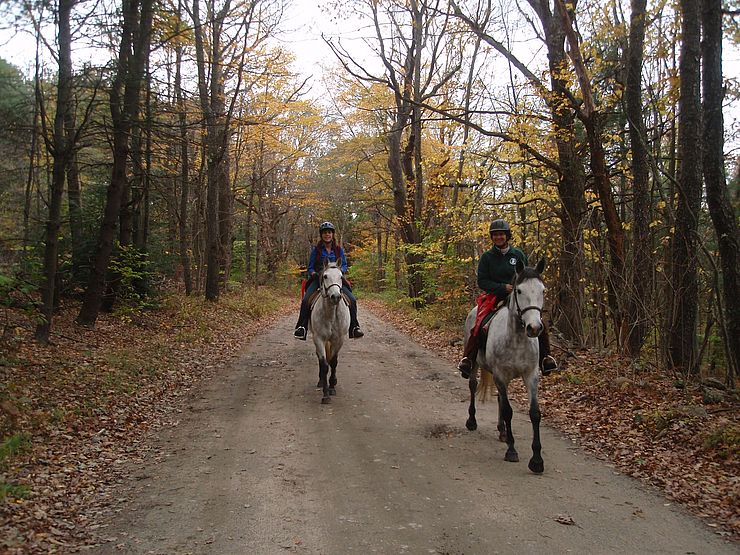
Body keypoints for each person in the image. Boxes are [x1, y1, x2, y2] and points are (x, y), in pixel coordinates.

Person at [457, 218, 558, 378]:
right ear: (492, 237)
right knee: (478, 323)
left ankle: (545, 358)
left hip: (519, 298)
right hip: (494, 298)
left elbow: (527, 276)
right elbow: (482, 281)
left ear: (507, 236)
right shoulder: (487, 257)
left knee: (538, 321)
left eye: (501, 234)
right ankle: (468, 359)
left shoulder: (518, 255)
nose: (499, 237)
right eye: (495, 235)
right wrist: (503, 287)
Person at [294, 221, 364, 340]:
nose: (327, 235)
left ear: (333, 234)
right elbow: (310, 266)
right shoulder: (316, 250)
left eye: (329, 233)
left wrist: (339, 271)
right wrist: (314, 273)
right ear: (321, 235)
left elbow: (345, 265)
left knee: (352, 299)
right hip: (319, 279)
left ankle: (354, 327)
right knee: (306, 300)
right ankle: (302, 327)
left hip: (336, 279)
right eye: (325, 233)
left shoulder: (338, 249)